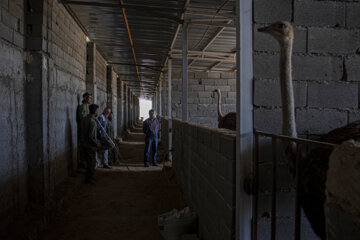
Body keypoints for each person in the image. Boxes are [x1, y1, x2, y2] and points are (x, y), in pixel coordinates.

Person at [81, 104, 100, 184]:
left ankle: (87, 178)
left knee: (88, 162)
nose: (97, 112)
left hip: (84, 143)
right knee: (91, 163)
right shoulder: (93, 122)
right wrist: (97, 144)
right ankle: (89, 179)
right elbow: (91, 137)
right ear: (95, 111)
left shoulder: (84, 119)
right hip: (90, 146)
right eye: (97, 110)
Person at [76, 92, 93, 168]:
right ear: (85, 99)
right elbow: (82, 119)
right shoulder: (82, 107)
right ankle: (82, 163)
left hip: (87, 130)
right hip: (84, 131)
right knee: (83, 147)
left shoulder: (88, 107)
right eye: (89, 98)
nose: (91, 99)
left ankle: (85, 163)